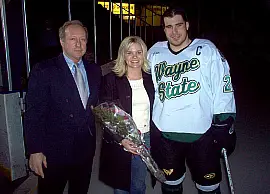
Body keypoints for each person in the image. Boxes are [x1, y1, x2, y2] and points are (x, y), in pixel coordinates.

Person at [147, 7, 236, 194]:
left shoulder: (206, 49)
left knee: (209, 187)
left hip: (202, 133)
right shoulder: (155, 52)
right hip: (166, 134)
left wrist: (225, 120)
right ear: (163, 29)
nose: (174, 32)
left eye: (178, 25)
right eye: (169, 27)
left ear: (187, 25)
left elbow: (222, 84)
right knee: (171, 185)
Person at [23, 20, 102, 194]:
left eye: (82, 39)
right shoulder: (44, 70)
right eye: (73, 39)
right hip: (55, 153)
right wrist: (35, 150)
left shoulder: (94, 71)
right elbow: (34, 113)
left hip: (85, 150)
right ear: (62, 42)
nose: (79, 44)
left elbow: (99, 106)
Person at [98, 36, 156, 194]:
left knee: (138, 184)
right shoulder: (111, 80)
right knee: (121, 186)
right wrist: (121, 139)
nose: (135, 57)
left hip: (146, 138)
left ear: (144, 54)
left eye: (139, 52)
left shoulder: (151, 79)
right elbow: (106, 114)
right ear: (123, 54)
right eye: (129, 53)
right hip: (121, 139)